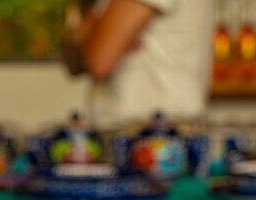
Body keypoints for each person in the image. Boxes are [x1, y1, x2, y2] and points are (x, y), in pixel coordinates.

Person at [63, 0, 215, 124]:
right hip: (140, 130)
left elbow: (99, 61)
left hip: (156, 137)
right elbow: (72, 60)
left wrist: (95, 30)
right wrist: (102, 33)